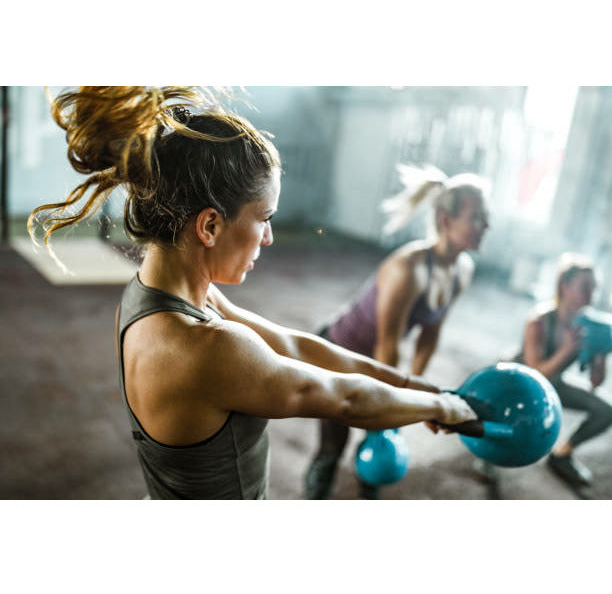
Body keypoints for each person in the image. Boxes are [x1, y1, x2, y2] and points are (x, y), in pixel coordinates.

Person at [28, 86, 477, 499]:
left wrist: (414, 386)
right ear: (209, 225)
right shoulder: (208, 348)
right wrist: (444, 406)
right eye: (263, 218)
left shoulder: (156, 296)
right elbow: (345, 398)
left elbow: (293, 345)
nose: (268, 238)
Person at [305, 164, 490, 499]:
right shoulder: (409, 268)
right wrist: (396, 401)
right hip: (339, 351)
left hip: (379, 355)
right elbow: (387, 347)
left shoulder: (462, 269)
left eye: (485, 216)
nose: (486, 225)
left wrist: (413, 392)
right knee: (334, 445)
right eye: (476, 217)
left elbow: (430, 334)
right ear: (446, 222)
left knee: (379, 444)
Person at [515, 252, 612, 487]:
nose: (591, 295)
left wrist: (601, 356)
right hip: (519, 386)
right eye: (584, 287)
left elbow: (596, 382)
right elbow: (536, 374)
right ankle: (487, 457)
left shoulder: (589, 325)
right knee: (510, 422)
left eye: (594, 288)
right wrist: (568, 350)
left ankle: (562, 455)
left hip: (553, 385)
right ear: (564, 286)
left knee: (606, 410)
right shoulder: (538, 320)